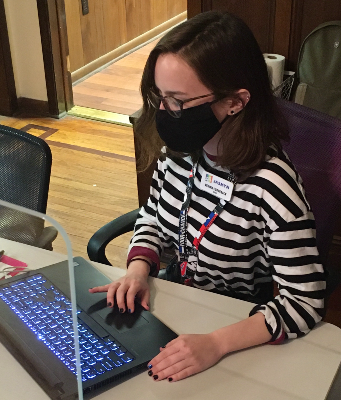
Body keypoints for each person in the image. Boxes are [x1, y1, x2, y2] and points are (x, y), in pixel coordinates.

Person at [89, 11, 326, 383]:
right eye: (160, 96)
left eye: (179, 101)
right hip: (180, 303)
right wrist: (137, 270)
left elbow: (304, 302)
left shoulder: (273, 186)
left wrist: (216, 343)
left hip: (238, 325)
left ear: (235, 102)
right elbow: (153, 219)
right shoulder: (181, 154)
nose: (165, 112)